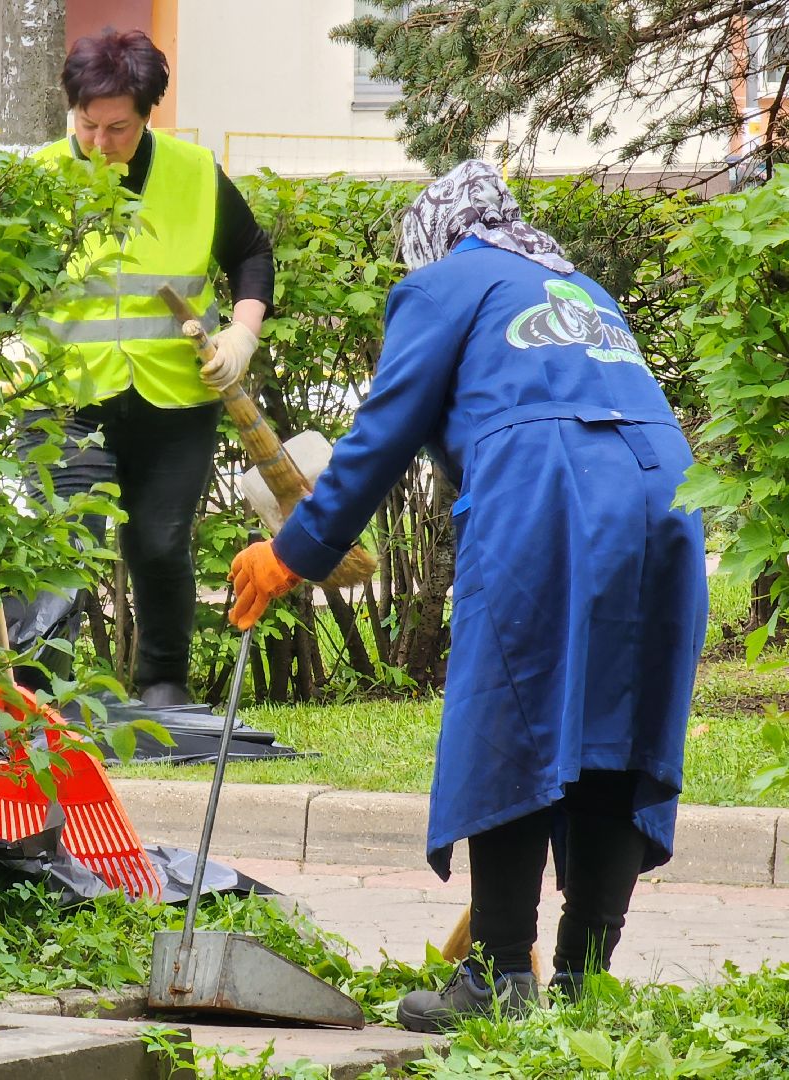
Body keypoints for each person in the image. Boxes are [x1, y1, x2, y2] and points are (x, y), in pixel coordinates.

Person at [227, 160, 708, 1030]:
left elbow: (383, 432)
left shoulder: (443, 283)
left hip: (548, 491)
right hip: (665, 493)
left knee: (509, 715)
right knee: (618, 726)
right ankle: (583, 985)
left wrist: (292, 553)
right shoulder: (578, 285)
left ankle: (496, 980)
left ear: (435, 238)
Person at [17, 28, 274, 708]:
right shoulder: (36, 177)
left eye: (118, 129)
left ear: (147, 113)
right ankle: (42, 699)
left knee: (160, 546)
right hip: (64, 399)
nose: (100, 143)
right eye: (87, 125)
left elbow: (251, 252)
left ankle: (164, 688)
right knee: (64, 546)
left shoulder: (193, 173)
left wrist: (242, 335)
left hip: (175, 399)